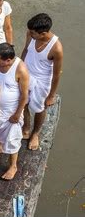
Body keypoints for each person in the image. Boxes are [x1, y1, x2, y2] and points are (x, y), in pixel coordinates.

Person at [21, 13, 63, 150]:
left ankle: (35, 133)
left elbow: (56, 75)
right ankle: (26, 128)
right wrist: (19, 68)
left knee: (39, 108)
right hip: (26, 74)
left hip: (42, 80)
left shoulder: (56, 48)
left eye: (33, 33)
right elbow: (26, 50)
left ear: (43, 33)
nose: (30, 34)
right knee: (23, 102)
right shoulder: (31, 34)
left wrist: (51, 95)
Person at [0, 43, 29, 180]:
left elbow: (24, 95)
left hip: (11, 110)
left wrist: (17, 113)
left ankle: (13, 165)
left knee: (12, 138)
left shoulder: (21, 69)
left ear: (8, 60)